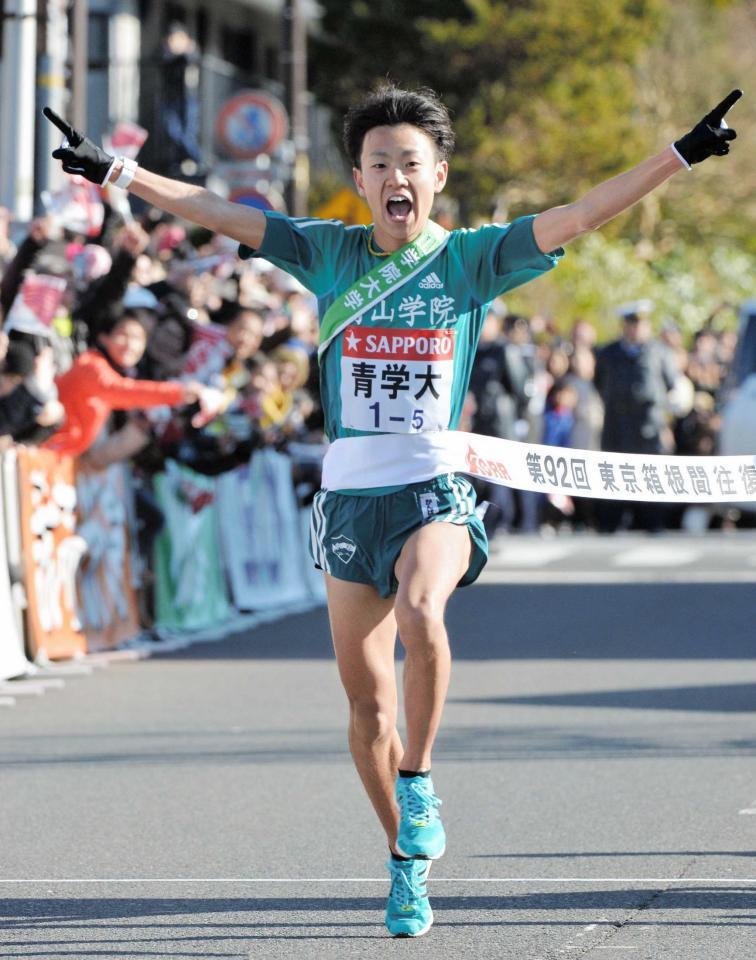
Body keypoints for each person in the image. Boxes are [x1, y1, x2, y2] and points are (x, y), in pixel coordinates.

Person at [44, 83, 741, 938]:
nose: (395, 176)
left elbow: (581, 213)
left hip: (434, 490)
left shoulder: (472, 260)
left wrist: (680, 154)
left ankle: (421, 779)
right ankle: (404, 858)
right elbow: (220, 210)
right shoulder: (327, 251)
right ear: (362, 178)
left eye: (411, 162)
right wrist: (120, 171)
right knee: (368, 710)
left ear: (437, 175)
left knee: (422, 607)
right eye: (380, 164)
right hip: (349, 503)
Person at [44, 309, 221, 459]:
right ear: (105, 337)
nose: (130, 345)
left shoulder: (114, 372)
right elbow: (123, 391)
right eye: (124, 335)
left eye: (138, 339)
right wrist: (180, 392)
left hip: (56, 453)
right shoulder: (91, 366)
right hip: (40, 443)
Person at [593, 300, 680, 532]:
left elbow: (671, 386)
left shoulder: (659, 352)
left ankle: (653, 522)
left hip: (649, 426)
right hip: (617, 425)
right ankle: (612, 522)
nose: (636, 329)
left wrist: (665, 425)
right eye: (632, 323)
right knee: (616, 473)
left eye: (641, 323)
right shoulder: (609, 353)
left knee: (650, 474)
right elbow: (599, 383)